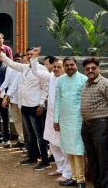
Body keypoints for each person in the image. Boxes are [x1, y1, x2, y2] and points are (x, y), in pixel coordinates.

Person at [0, 47, 49, 170]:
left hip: (36, 107)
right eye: (27, 54)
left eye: (32, 54)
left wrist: (41, 104)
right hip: (24, 105)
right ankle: (33, 156)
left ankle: (45, 160)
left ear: (36, 55)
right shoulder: (25, 68)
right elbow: (11, 63)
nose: (29, 56)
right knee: (30, 134)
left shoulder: (42, 69)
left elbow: (45, 88)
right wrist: (0, 53)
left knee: (39, 135)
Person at [30, 48, 72, 183]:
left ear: (64, 68)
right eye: (54, 67)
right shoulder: (51, 77)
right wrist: (34, 57)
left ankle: (68, 173)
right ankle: (60, 168)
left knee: (63, 146)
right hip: (50, 117)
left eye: (59, 67)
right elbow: (36, 71)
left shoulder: (67, 80)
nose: (56, 69)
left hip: (63, 119)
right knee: (52, 144)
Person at [81, 58, 108, 188]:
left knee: (103, 161)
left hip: (101, 125)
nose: (90, 70)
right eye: (87, 69)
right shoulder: (86, 83)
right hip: (87, 126)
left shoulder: (106, 84)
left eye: (93, 68)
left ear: (99, 69)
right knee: (92, 160)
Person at [53, 57, 88, 188]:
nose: (69, 67)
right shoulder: (61, 80)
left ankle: (80, 180)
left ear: (76, 65)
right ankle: (73, 177)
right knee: (69, 150)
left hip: (78, 120)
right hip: (64, 121)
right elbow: (57, 101)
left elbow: (86, 102)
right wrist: (56, 120)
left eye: (71, 65)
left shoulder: (83, 79)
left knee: (77, 150)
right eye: (66, 65)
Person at [2, 53, 24, 149]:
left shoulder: (23, 70)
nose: (18, 61)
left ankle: (26, 141)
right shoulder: (10, 69)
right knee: (17, 120)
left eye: (19, 59)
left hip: (23, 100)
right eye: (16, 59)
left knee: (24, 121)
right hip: (12, 98)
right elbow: (7, 82)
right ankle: (21, 139)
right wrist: (2, 93)